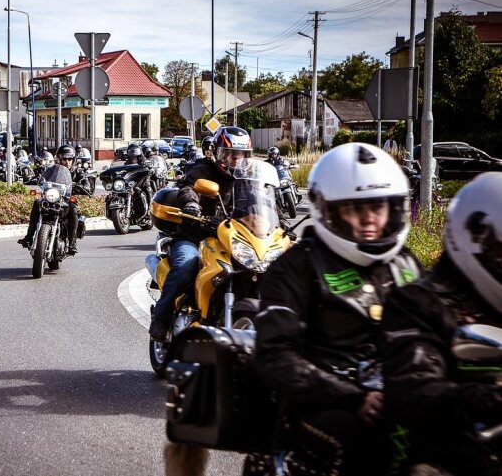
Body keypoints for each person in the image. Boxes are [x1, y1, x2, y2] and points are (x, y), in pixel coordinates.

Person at [253, 142, 420, 476]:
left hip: (403, 391)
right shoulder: (295, 269)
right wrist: (352, 396)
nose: (370, 218)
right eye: (355, 209)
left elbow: (443, 327)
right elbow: (275, 356)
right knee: (369, 445)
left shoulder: (406, 264)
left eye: (379, 206)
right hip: (324, 404)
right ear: (328, 209)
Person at [382, 172, 502, 476]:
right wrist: (486, 398)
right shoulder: (418, 302)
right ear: (478, 238)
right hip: (445, 451)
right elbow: (414, 387)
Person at [149, 126, 257, 340]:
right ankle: (161, 319)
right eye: (230, 153)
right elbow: (188, 187)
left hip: (234, 241)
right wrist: (191, 204)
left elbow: (263, 202)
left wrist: (280, 225)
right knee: (185, 267)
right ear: (217, 152)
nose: (236, 159)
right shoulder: (202, 170)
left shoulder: (250, 178)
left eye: (241, 154)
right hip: (196, 236)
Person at [17, 144, 80, 255]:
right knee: (37, 202)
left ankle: (72, 242)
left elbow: (85, 181)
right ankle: (29, 236)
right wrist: (35, 178)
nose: (67, 161)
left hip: (66, 202)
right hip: (51, 200)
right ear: (59, 159)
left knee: (73, 208)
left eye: (70, 159)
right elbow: (43, 178)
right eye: (64, 158)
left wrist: (84, 184)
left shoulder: (77, 173)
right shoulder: (52, 170)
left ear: (73, 160)